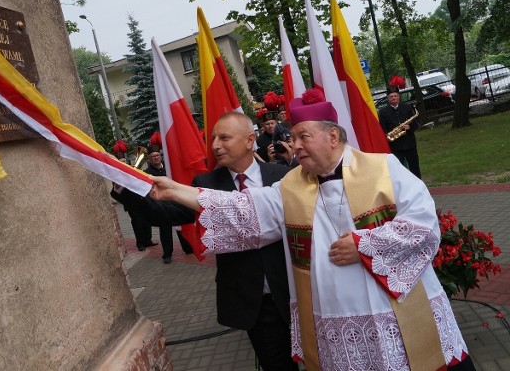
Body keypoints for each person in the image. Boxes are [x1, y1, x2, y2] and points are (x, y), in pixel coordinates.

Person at [149, 91, 474, 371]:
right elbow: (243, 208)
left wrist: (363, 244)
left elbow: (423, 224)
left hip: (396, 310)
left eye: (304, 136)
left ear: (333, 136)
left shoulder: (383, 168)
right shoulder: (292, 186)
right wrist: (176, 190)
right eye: (293, 138)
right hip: (333, 316)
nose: (295, 145)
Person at [114, 113, 297, 370]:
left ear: (249, 140)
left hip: (296, 293)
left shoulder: (284, 176)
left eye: (224, 138)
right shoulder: (205, 185)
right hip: (255, 302)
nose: (215, 145)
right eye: (213, 138)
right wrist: (124, 185)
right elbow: (162, 214)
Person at [142, 146, 193, 263]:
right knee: (165, 230)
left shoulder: (169, 167)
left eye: (157, 155)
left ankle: (187, 248)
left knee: (180, 226)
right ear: (149, 159)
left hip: (175, 201)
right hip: (161, 205)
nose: (156, 158)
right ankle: (167, 254)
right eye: (153, 157)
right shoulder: (147, 173)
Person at [378, 85, 421, 178]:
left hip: (410, 144)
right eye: (391, 96)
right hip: (395, 146)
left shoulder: (407, 107)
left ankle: (419, 187)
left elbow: (415, 124)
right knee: (398, 171)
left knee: (415, 168)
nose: (394, 98)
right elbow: (382, 128)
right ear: (388, 98)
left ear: (399, 96)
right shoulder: (383, 112)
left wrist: (409, 127)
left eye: (395, 96)